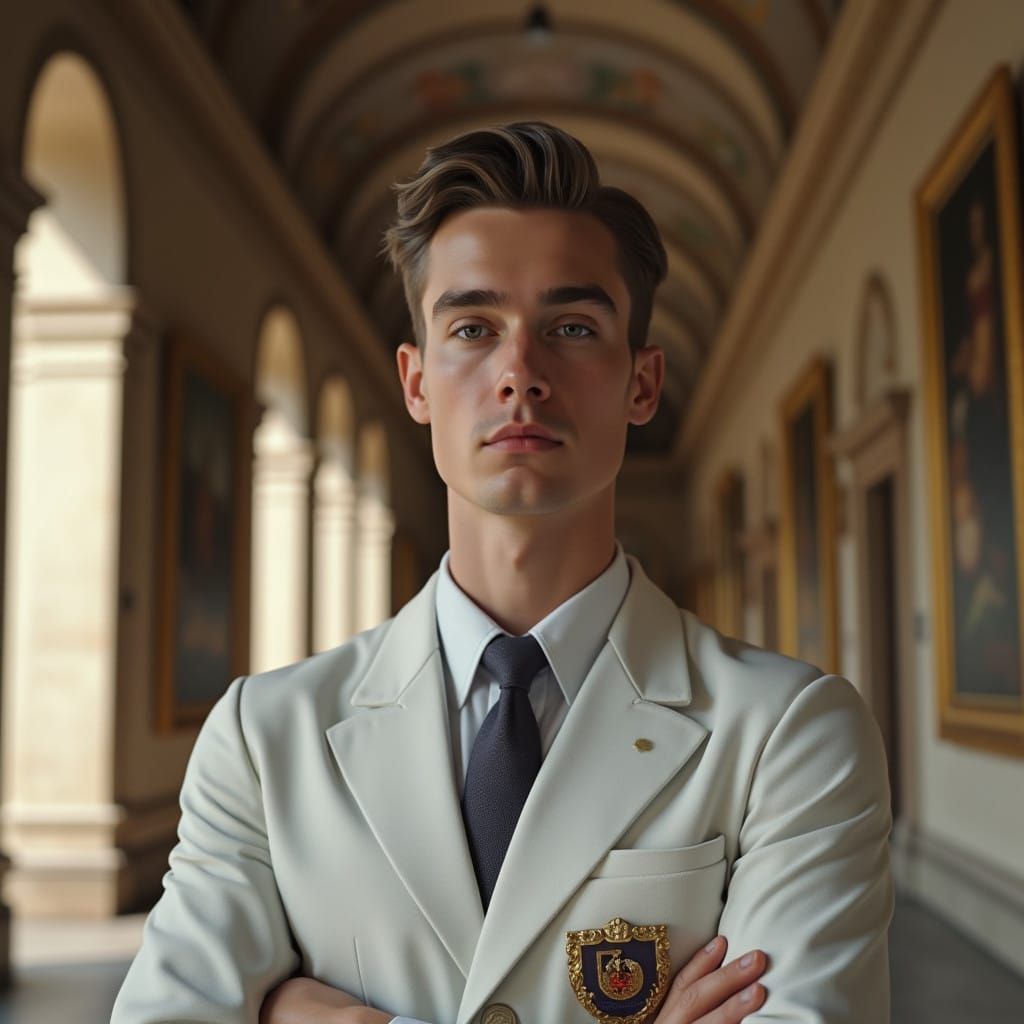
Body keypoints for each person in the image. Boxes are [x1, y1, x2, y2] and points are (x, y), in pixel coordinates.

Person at [112, 122, 893, 1024]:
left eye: (571, 326)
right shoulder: (263, 740)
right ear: (415, 381)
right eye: (474, 328)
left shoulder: (790, 738)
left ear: (643, 382)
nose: (520, 373)